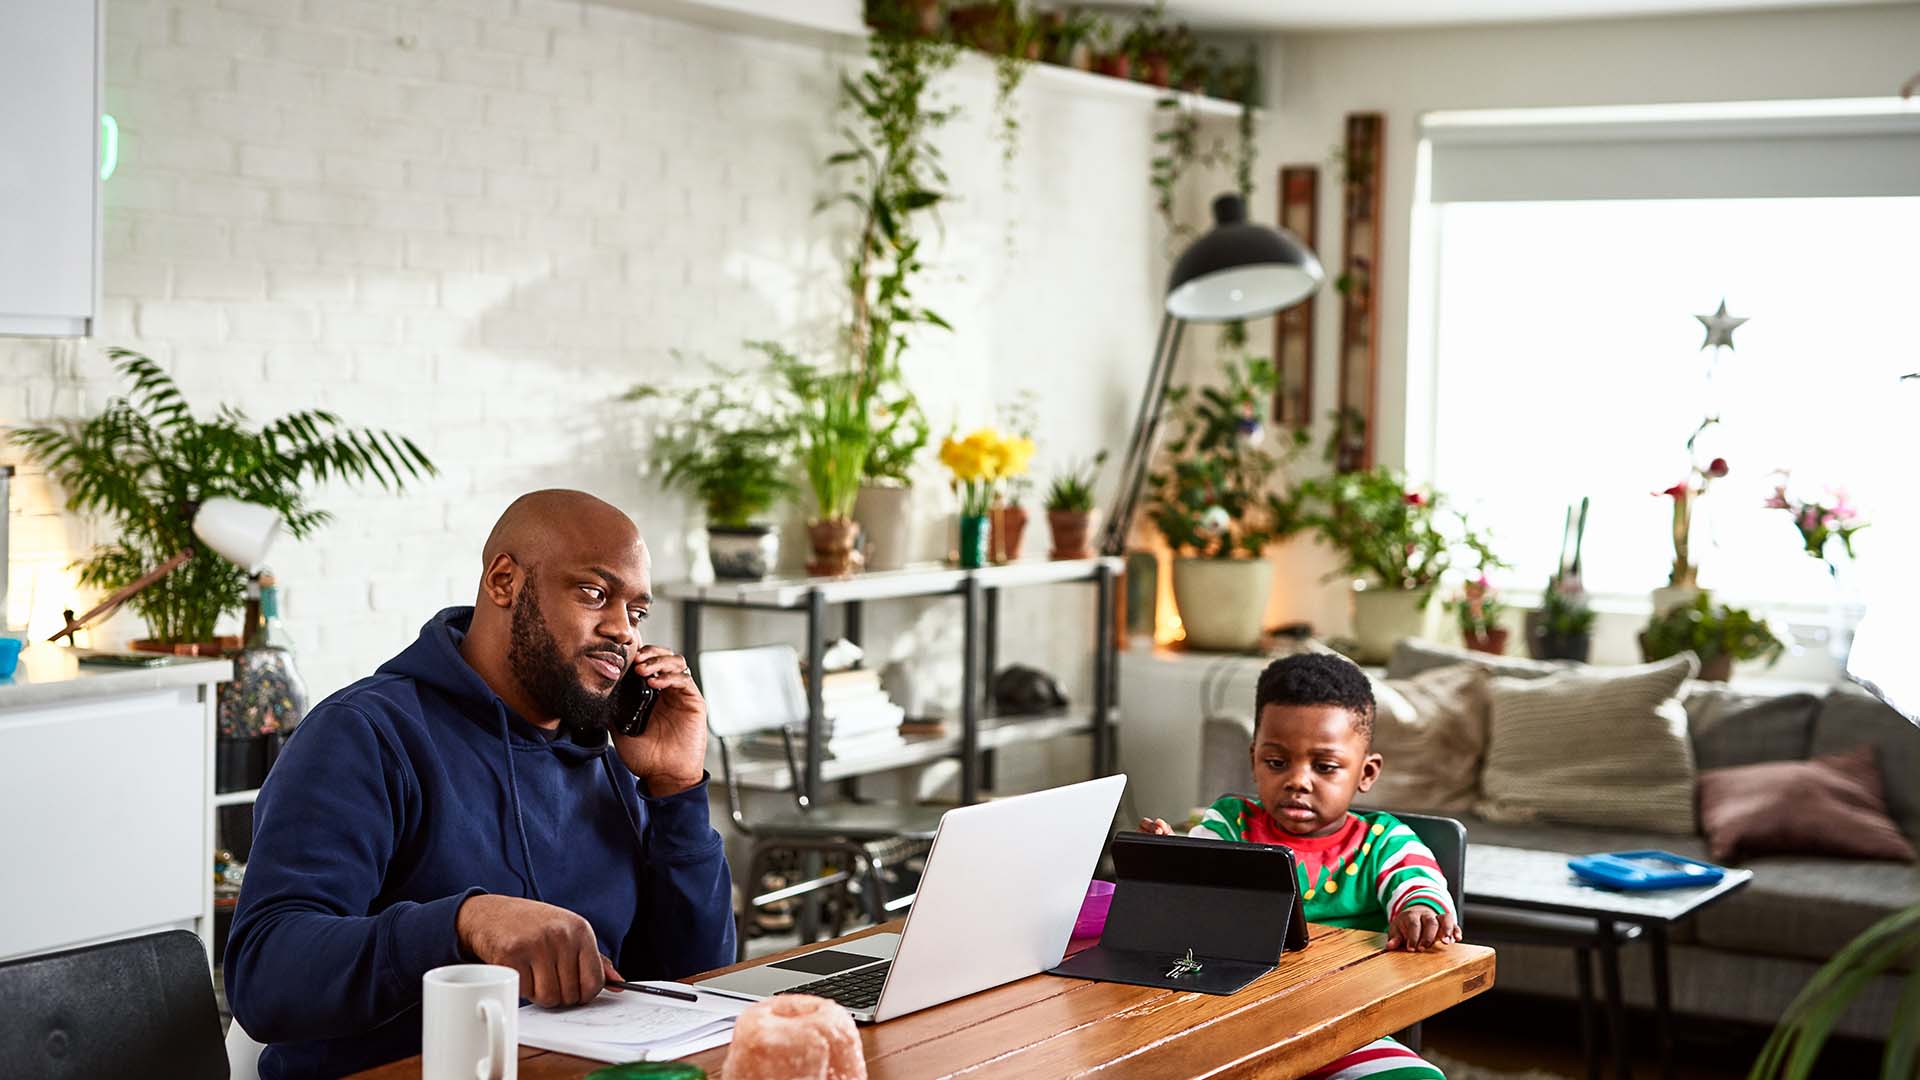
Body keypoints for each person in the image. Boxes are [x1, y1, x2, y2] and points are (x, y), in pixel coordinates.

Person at [226, 490, 735, 1079]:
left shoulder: (611, 755)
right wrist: (464, 924)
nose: (623, 631)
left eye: (637, 613)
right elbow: (265, 975)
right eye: (595, 594)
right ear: (503, 581)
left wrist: (676, 791)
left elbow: (693, 985)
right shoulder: (364, 736)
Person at [1141, 652, 1459, 1080]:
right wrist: (1166, 864)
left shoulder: (1384, 841)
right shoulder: (1231, 823)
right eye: (1276, 762)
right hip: (1232, 1018)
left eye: (1325, 767)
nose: (1297, 780)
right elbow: (1195, 880)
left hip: (1347, 1029)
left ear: (1366, 772)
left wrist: (1418, 912)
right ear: (1254, 759)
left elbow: (1420, 884)